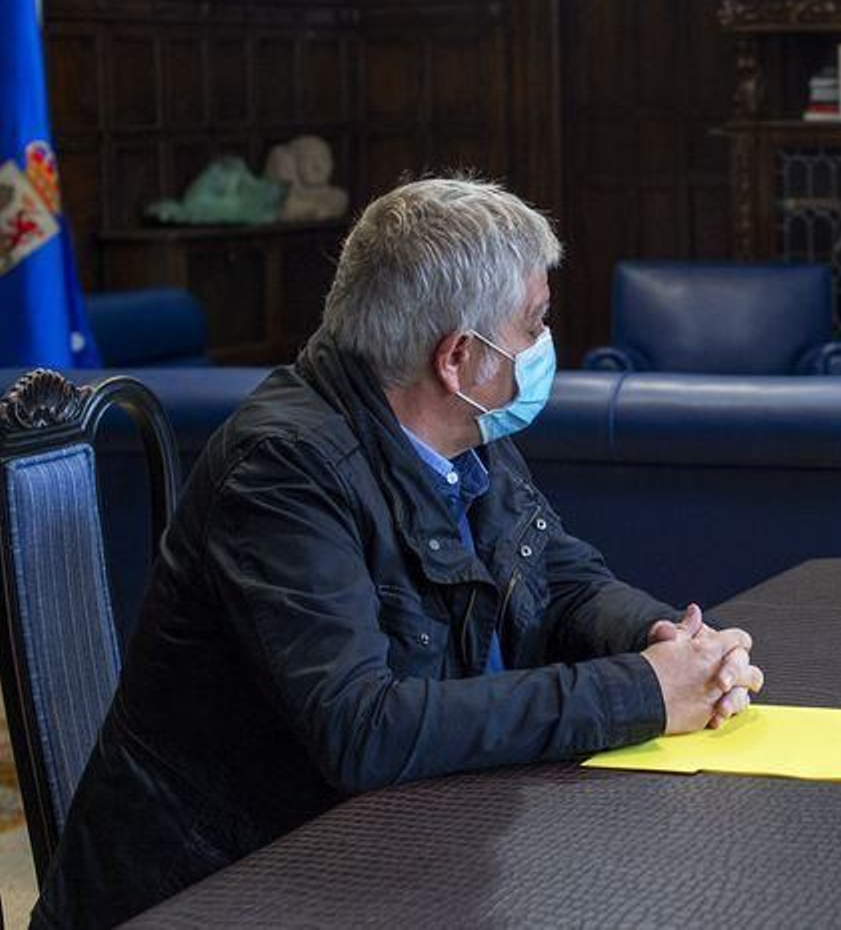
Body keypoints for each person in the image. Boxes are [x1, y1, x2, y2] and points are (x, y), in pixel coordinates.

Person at [35, 178, 764, 927]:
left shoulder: (468, 428)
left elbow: (560, 573)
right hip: (212, 892)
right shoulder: (283, 469)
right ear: (457, 359)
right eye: (534, 323)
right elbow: (364, 727)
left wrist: (672, 646)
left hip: (388, 861)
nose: (546, 345)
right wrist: (638, 694)